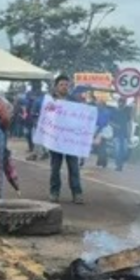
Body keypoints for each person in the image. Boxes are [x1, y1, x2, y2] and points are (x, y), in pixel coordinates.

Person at [47, 75, 84, 205]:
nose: (64, 87)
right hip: (55, 139)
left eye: (66, 85)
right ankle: (54, 192)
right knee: (55, 167)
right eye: (62, 84)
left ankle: (77, 193)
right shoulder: (50, 100)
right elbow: (46, 117)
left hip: (70, 140)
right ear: (56, 86)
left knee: (74, 167)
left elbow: (81, 117)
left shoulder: (74, 100)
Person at [109, 94, 133, 172]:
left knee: (124, 151)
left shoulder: (127, 112)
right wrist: (115, 126)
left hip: (125, 134)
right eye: (120, 102)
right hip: (116, 134)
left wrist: (129, 135)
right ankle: (118, 165)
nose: (121, 103)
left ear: (125, 103)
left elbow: (129, 124)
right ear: (118, 102)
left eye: (123, 102)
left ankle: (120, 164)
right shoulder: (114, 111)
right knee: (117, 150)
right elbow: (110, 122)